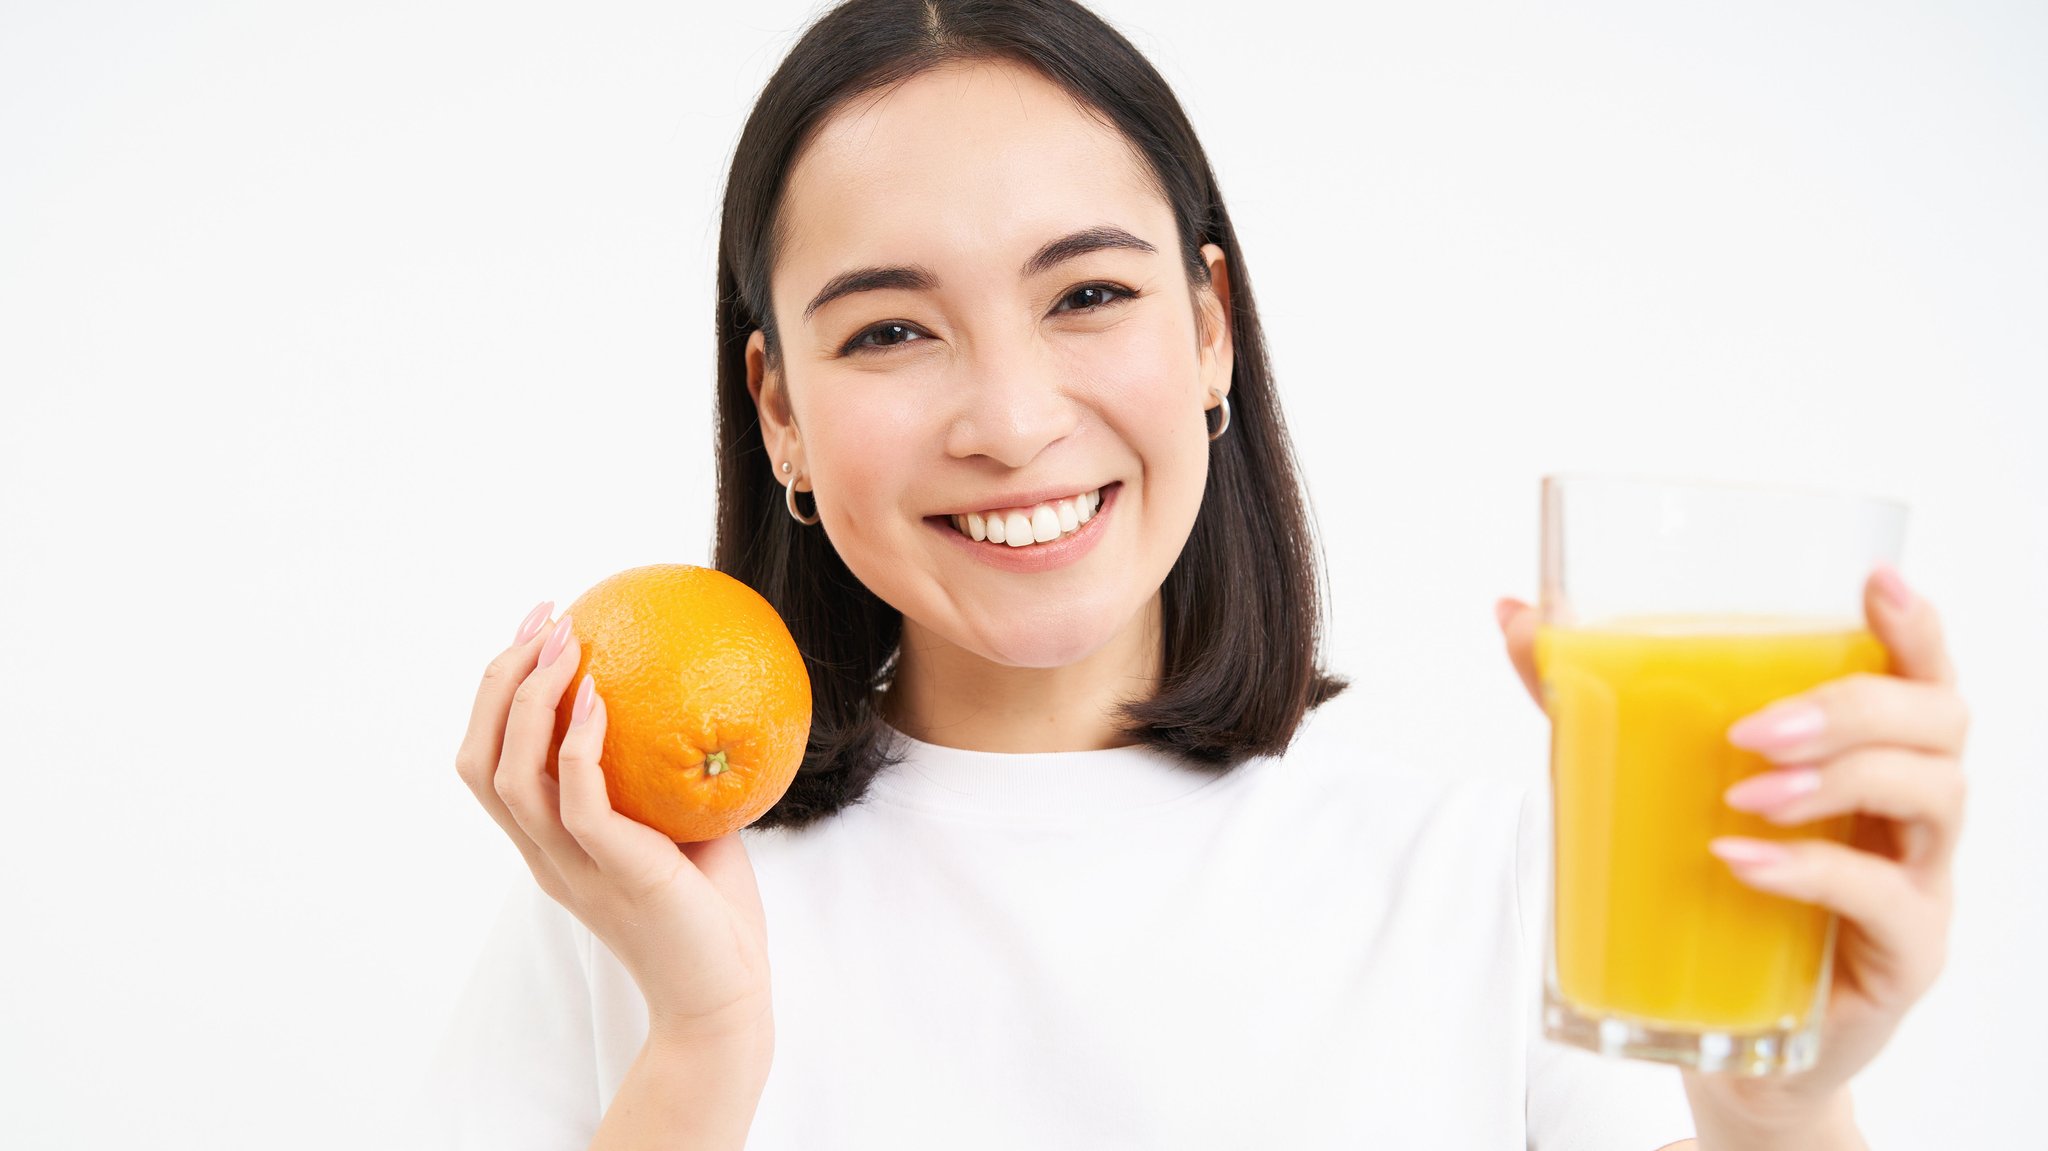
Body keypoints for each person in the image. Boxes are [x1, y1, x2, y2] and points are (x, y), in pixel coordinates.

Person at [415, 1, 1971, 1147]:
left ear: (1210, 328)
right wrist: (704, 1042)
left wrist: (1784, 1099)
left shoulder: (1497, 903)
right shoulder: (633, 916)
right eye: (891, 328)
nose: (1015, 420)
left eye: (1087, 292)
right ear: (780, 416)